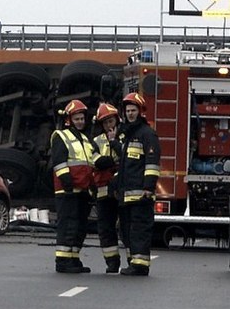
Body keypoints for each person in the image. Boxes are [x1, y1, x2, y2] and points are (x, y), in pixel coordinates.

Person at [50, 99, 103, 274]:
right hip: (67, 191)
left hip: (83, 191)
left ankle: (73, 258)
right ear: (69, 120)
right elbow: (59, 163)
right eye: (77, 119)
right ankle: (62, 261)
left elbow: (95, 161)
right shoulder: (61, 136)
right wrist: (67, 184)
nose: (80, 121)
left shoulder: (86, 140)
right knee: (68, 225)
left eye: (82, 118)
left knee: (79, 227)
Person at [113, 92, 161, 276]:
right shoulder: (126, 135)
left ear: (141, 111)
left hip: (141, 194)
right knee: (126, 230)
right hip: (126, 194)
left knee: (139, 230)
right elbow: (125, 166)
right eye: (128, 111)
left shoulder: (147, 134)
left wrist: (149, 187)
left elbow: (151, 163)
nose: (130, 114)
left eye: (133, 110)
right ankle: (133, 261)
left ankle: (140, 265)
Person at [92, 103, 122, 273]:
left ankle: (134, 262)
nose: (109, 126)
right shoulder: (96, 141)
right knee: (106, 229)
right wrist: (113, 163)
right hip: (103, 192)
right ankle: (112, 262)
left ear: (116, 120)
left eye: (110, 121)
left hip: (122, 191)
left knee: (127, 226)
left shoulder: (125, 137)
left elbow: (127, 158)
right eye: (105, 123)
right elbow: (96, 162)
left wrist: (115, 143)